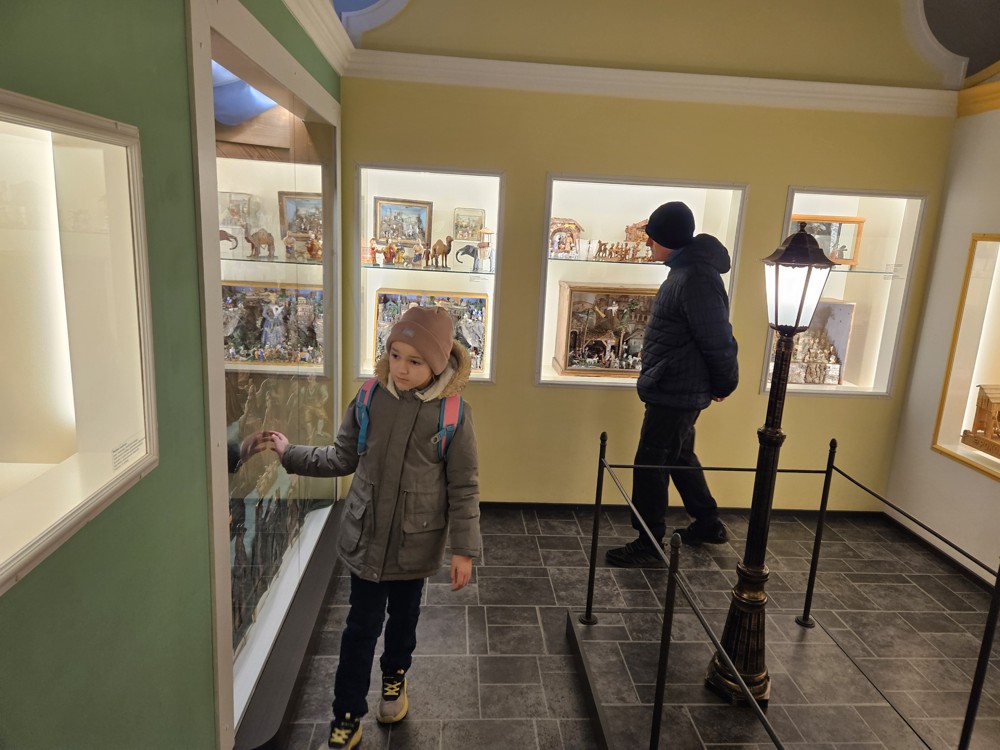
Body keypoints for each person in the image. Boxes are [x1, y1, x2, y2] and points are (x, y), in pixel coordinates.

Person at [261, 306, 481, 749]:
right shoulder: (368, 398)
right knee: (359, 629)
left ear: (438, 364)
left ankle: (395, 677)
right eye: (395, 355)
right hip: (365, 539)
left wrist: (464, 549)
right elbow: (341, 457)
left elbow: (463, 484)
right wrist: (290, 454)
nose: (401, 368)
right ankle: (346, 713)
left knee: (403, 621)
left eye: (415, 361)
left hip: (414, 544)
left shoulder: (453, 414)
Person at [606, 201, 739, 568]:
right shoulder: (687, 271)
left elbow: (718, 339)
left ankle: (649, 542)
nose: (648, 243)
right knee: (679, 456)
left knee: (651, 463)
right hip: (676, 385)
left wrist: (724, 383)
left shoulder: (696, 277)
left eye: (653, 238)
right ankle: (708, 523)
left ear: (669, 239)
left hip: (676, 390)